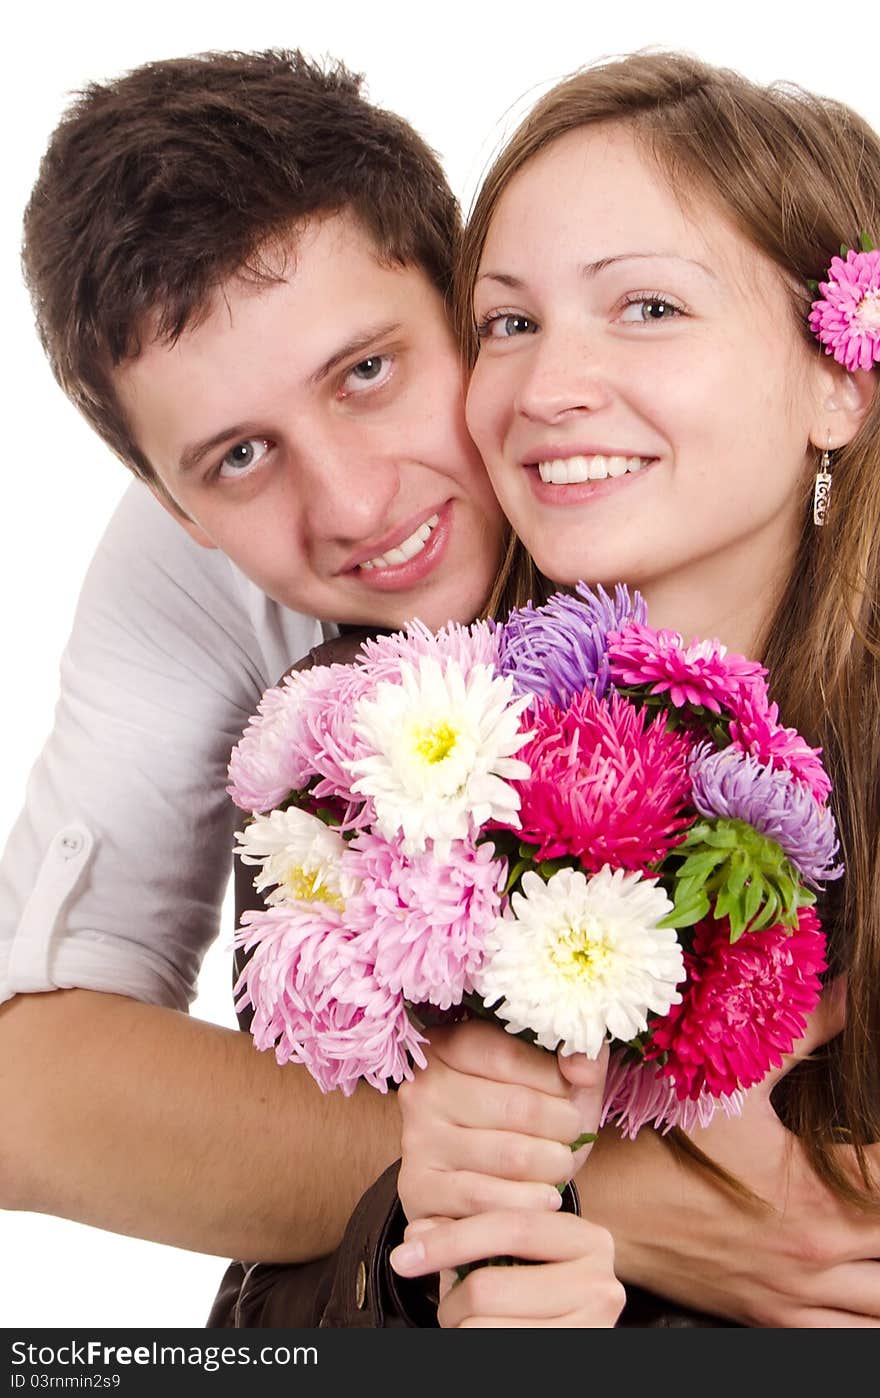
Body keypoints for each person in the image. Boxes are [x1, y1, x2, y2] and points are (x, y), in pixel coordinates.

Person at [2, 47, 618, 1324]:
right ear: (175, 509)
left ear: (467, 296)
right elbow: (27, 1079)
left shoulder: (664, 397)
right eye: (237, 457)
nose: (349, 504)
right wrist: (619, 1201)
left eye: (367, 372)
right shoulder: (189, 569)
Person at [392, 50, 880, 1327]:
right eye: (508, 322)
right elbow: (264, 1319)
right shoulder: (395, 753)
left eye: (648, 308)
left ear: (840, 375)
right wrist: (435, 1245)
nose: (546, 389)